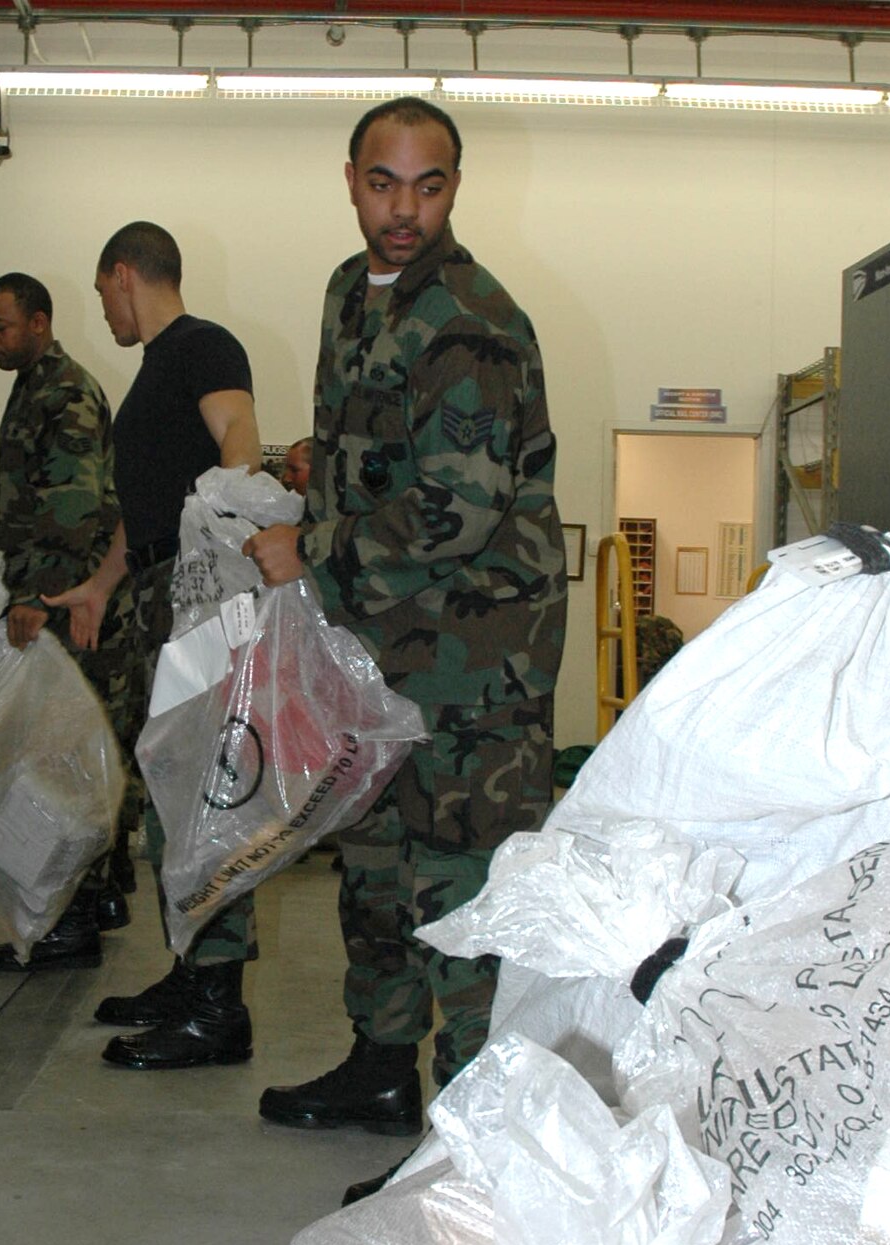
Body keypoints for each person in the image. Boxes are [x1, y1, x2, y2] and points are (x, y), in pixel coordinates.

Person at [247, 97, 567, 1159]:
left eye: (427, 187)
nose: (403, 210)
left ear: (453, 191)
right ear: (349, 179)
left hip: (471, 670)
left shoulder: (468, 319)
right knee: (376, 867)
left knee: (463, 897)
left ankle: (470, 1154)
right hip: (378, 651)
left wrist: (316, 547)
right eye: (383, 183)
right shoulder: (353, 295)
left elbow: (455, 509)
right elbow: (378, 444)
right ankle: (382, 1068)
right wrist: (318, 468)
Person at [46, 221, 263, 1070]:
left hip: (195, 604)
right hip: (157, 597)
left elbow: (239, 443)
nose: (103, 311)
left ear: (123, 274)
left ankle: (219, 1009)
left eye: (102, 294)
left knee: (208, 796)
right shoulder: (156, 371)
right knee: (174, 796)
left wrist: (219, 568)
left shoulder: (200, 347)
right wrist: (104, 584)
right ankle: (190, 971)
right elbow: (148, 509)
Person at [0, 272, 143, 966]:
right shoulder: (35, 385)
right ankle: (95, 898)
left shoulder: (62, 390)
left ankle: (67, 921)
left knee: (59, 764)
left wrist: (34, 601)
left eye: (1, 326)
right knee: (75, 754)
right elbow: (26, 509)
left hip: (68, 605)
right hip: (58, 597)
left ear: (38, 322)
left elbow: (70, 511)